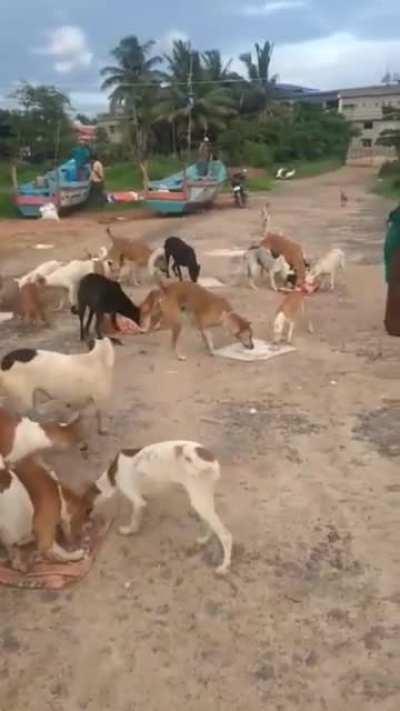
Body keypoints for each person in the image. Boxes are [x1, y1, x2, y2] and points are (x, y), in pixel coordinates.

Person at [384, 204, 400, 335]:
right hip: (396, 255)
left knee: (394, 289)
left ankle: (392, 324)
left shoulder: (394, 220)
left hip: (393, 254)